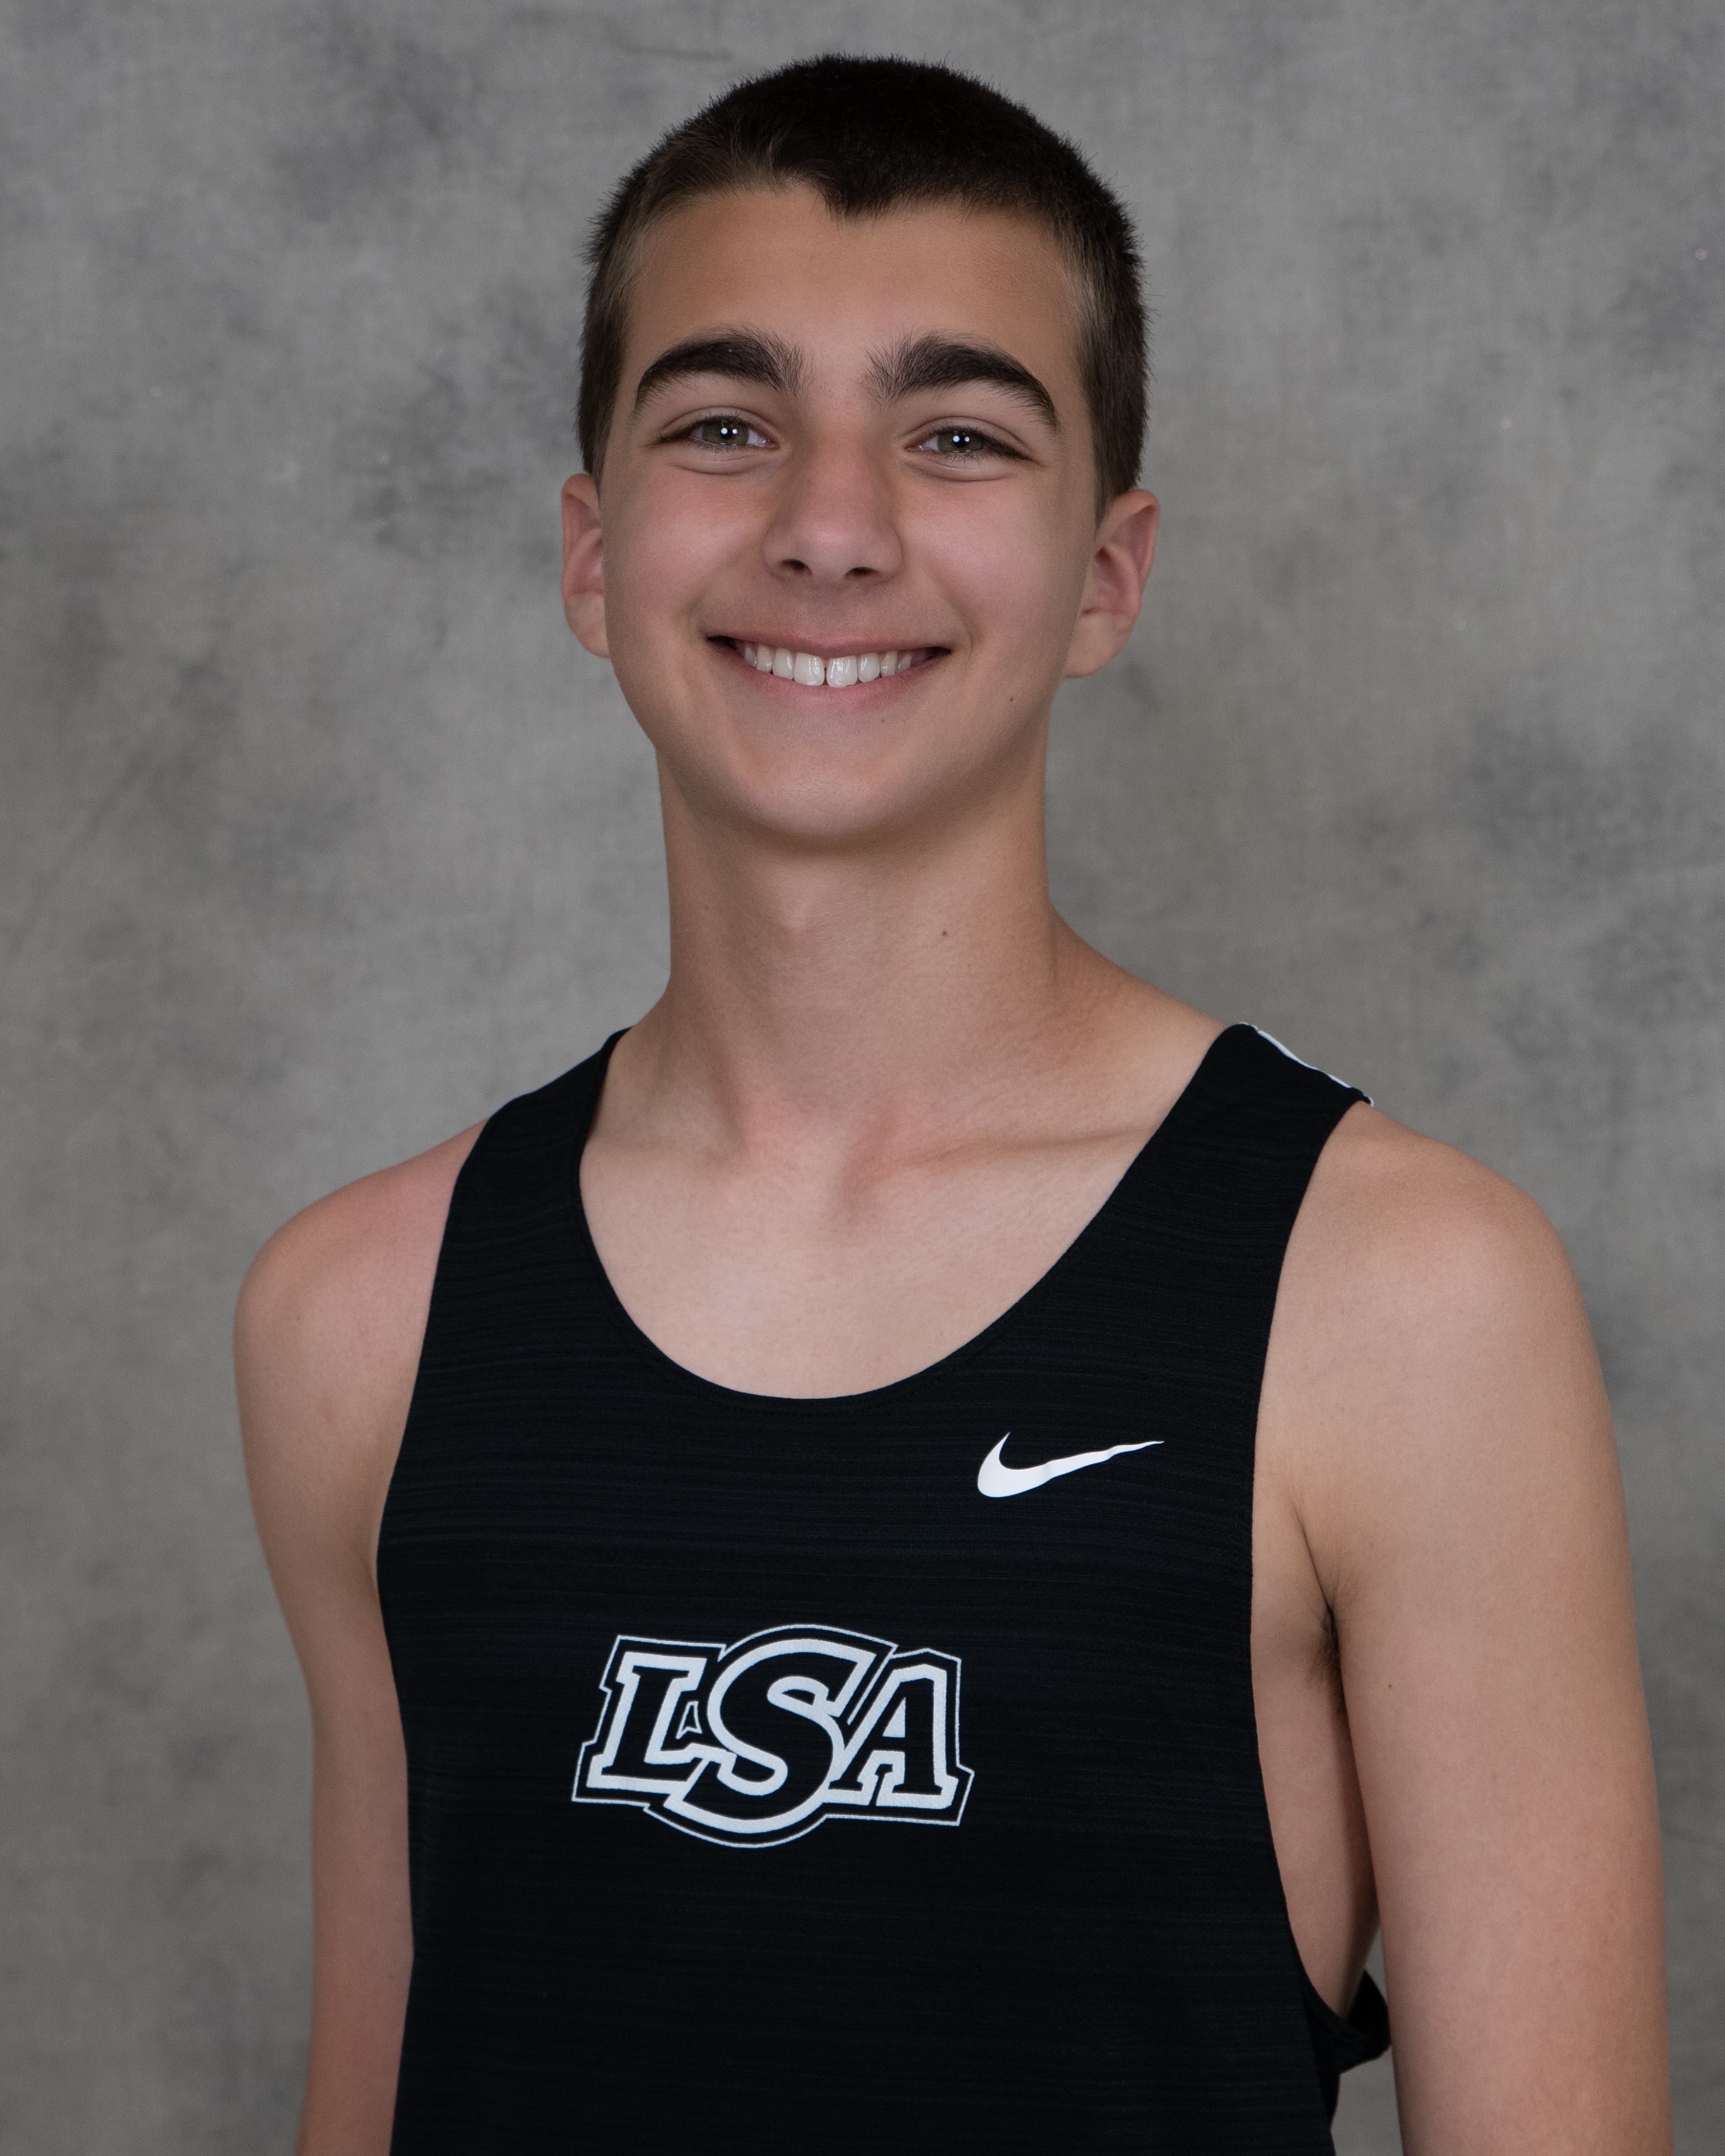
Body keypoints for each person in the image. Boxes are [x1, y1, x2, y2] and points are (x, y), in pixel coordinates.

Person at [236, 55, 1671, 2154]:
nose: (832, 525)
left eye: (960, 436)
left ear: (1106, 575)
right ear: (594, 552)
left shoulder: (1399, 1297)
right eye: (726, 426)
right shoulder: (361, 1315)